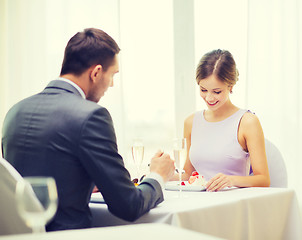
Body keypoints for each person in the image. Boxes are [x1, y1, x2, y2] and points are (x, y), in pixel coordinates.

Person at [1, 28, 175, 231]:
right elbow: (129, 205)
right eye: (112, 76)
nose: (111, 85)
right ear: (96, 72)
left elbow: (40, 173)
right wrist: (157, 175)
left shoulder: (15, 111)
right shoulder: (91, 116)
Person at [180, 49, 270, 191]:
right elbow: (187, 175)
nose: (209, 98)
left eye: (216, 92)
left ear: (231, 86)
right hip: (196, 203)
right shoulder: (191, 122)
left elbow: (263, 179)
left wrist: (230, 180)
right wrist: (160, 174)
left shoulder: (247, 122)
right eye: (203, 90)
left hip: (231, 204)